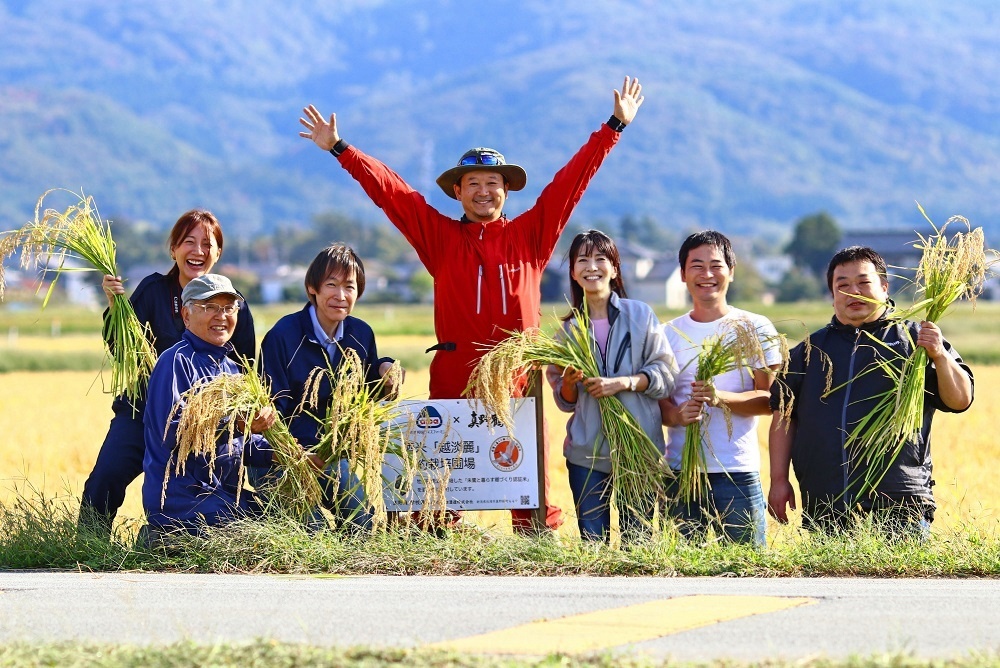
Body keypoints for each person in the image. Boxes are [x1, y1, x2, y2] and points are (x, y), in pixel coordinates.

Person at [298, 76, 645, 534]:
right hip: (454, 374)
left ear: (507, 191)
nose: (485, 191)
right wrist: (341, 148)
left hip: (517, 378)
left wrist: (614, 127)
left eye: (494, 183)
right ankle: (435, 545)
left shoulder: (531, 236)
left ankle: (536, 541)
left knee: (528, 482)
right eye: (474, 183)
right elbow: (392, 192)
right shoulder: (440, 239)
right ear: (457, 192)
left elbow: (571, 182)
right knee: (441, 487)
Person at [768, 246, 974, 534]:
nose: (854, 292)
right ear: (832, 295)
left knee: (898, 578)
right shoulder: (808, 352)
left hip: (900, 502)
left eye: (864, 282)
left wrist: (939, 355)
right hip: (826, 501)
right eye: (843, 285)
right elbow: (783, 417)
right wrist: (778, 480)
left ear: (884, 287)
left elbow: (961, 400)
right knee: (829, 579)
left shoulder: (915, 340)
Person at [79, 210, 255, 539]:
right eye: (189, 242)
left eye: (208, 244)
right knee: (106, 476)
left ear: (218, 253)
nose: (198, 251)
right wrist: (115, 307)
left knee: (209, 489)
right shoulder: (153, 291)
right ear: (173, 248)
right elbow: (122, 347)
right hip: (142, 408)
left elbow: (244, 370)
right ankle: (89, 547)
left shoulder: (234, 306)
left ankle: (178, 537)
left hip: (206, 420)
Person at [546, 230, 675, 542]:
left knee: (640, 542)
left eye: (600, 259)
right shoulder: (568, 331)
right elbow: (565, 401)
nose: (593, 267)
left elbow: (665, 373)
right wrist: (569, 383)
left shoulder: (640, 315)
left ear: (615, 269)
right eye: (583, 260)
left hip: (640, 448)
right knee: (593, 545)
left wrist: (625, 383)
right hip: (586, 454)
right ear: (574, 273)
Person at [260, 244, 400, 530]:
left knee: (364, 522)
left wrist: (386, 371)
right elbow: (271, 411)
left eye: (349, 287)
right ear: (313, 288)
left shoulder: (360, 333)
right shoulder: (283, 336)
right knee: (313, 531)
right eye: (331, 285)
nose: (340, 296)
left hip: (331, 458)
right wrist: (296, 454)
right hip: (283, 459)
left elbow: (366, 389)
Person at [659, 231, 781, 546]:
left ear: (731, 271)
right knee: (682, 570)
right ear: (683, 274)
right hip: (681, 474)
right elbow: (659, 404)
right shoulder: (666, 334)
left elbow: (771, 400)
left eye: (716, 265)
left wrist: (719, 398)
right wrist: (676, 415)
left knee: (748, 569)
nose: (707, 275)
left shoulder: (755, 327)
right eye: (696, 266)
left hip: (737, 471)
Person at [142, 274, 273, 540]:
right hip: (182, 498)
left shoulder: (231, 369)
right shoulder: (176, 362)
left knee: (278, 523)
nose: (221, 316)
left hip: (222, 493)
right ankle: (159, 539)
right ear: (187, 316)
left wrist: (283, 453)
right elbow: (174, 433)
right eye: (209, 307)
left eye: (228, 308)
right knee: (255, 535)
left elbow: (243, 442)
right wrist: (235, 425)